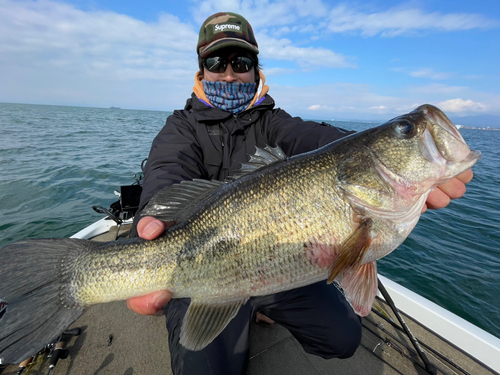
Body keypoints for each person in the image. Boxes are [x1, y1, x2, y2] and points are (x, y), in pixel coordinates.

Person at [126, 11, 475, 375]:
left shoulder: (275, 121)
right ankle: (239, 306)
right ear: (201, 69)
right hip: (204, 267)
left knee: (341, 338)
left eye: (241, 62)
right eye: (216, 62)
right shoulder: (180, 126)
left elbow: (326, 142)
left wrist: (403, 159)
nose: (229, 73)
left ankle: (260, 304)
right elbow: (168, 170)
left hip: (279, 263)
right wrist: (154, 215)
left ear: (255, 69)